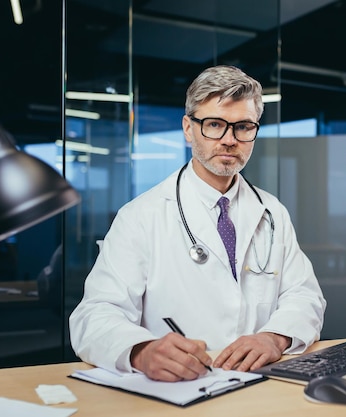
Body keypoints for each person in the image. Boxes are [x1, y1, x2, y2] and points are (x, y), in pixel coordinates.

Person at [69, 65, 326, 382]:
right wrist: (141, 351)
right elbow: (94, 315)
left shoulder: (272, 211)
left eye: (244, 127)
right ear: (188, 128)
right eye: (215, 125)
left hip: (260, 384)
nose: (230, 140)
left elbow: (304, 296)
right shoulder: (141, 215)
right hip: (181, 388)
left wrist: (274, 337)